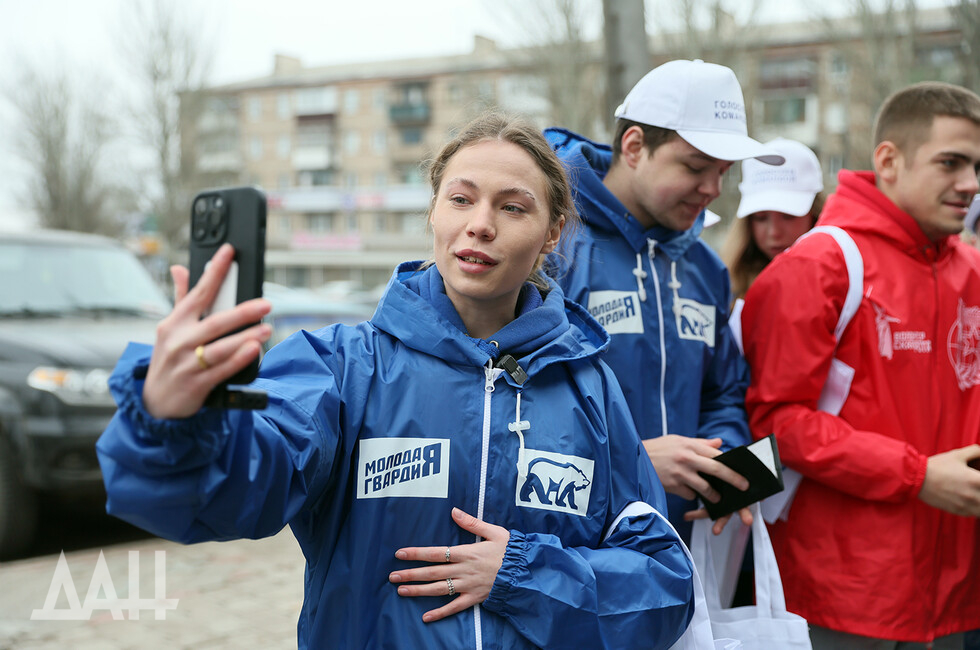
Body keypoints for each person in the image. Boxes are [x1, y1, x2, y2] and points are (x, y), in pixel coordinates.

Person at [95, 112, 695, 650]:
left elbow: (664, 588)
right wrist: (173, 419)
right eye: (461, 199)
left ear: (553, 232)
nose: (480, 225)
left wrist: (522, 573)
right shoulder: (339, 366)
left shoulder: (589, 387)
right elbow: (231, 496)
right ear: (434, 210)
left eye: (513, 207)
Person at [741, 81, 980, 648]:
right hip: (842, 595)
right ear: (889, 160)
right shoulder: (819, 266)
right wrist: (917, 476)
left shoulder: (969, 269)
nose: (969, 184)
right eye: (951, 162)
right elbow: (777, 422)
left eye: (975, 165)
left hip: (954, 592)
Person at [544, 59, 785, 541]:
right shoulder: (552, 245)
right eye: (696, 167)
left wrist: (727, 464)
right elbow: (514, 404)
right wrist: (634, 459)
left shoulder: (705, 267)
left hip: (678, 550)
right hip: (570, 545)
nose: (713, 190)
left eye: (722, 172)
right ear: (634, 147)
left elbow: (721, 390)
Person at [721, 137, 824, 303]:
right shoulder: (724, 289)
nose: (774, 232)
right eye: (760, 218)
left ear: (815, 214)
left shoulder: (843, 284)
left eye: (788, 216)